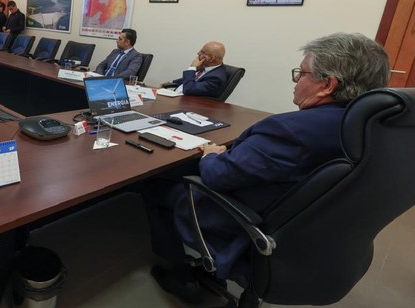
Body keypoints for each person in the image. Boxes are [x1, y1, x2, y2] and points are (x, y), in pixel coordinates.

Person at [142, 33, 390, 303]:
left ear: (327, 85)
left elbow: (217, 176)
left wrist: (211, 156)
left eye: (301, 73)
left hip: (248, 220)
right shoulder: (370, 129)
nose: (296, 80)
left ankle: (181, 275)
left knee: (155, 186)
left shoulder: (291, 131)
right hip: (315, 235)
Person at [163, 41, 227, 97]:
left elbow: (189, 90)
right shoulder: (205, 67)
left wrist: (192, 68)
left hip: (186, 102)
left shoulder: (217, 78)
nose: (198, 53)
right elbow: (190, 80)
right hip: (175, 96)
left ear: (211, 58)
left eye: (202, 52)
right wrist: (170, 82)